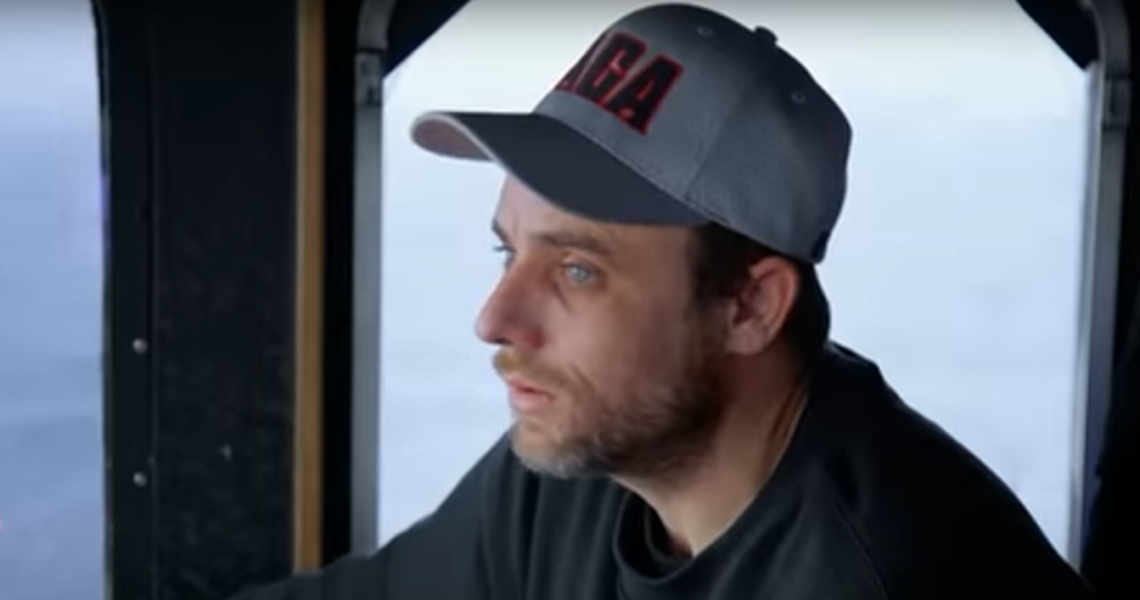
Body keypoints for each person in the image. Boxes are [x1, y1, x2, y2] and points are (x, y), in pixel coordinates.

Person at [231, 4, 1092, 599]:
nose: (494, 320)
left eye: (577, 271)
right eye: (508, 250)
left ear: (750, 308)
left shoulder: (880, 575)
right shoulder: (589, 463)